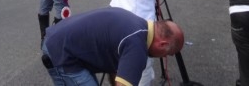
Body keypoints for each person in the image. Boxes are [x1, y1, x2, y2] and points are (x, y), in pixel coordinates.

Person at [41, 7, 185, 86]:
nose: (165, 56)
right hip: (62, 54)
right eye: (168, 53)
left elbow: (117, 73)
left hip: (59, 42)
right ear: (163, 44)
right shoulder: (137, 47)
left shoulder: (137, 25)